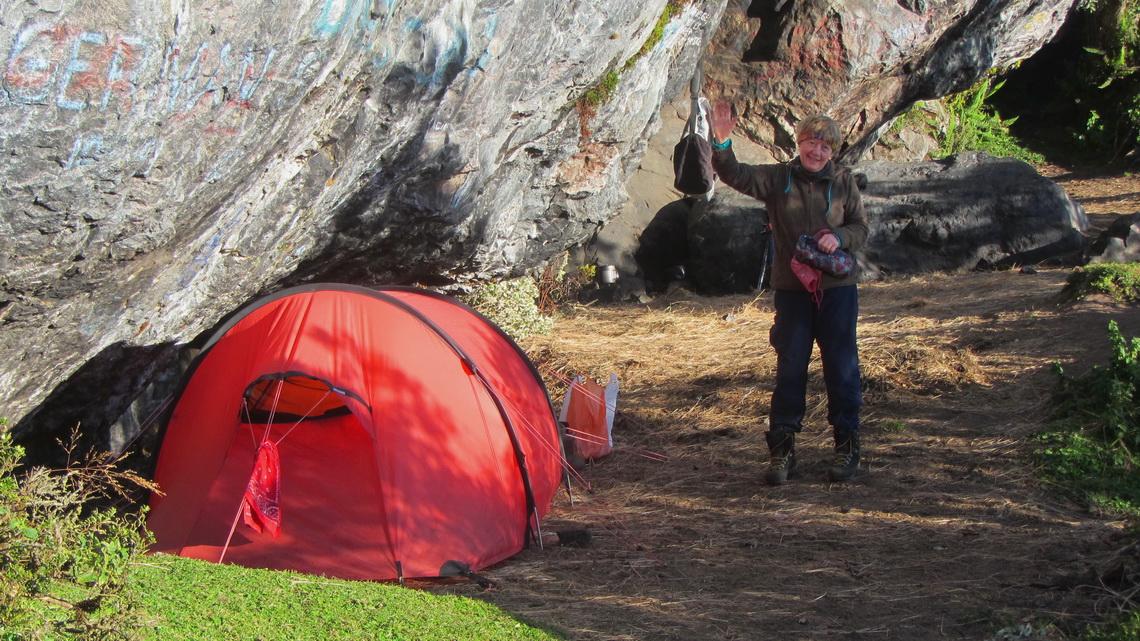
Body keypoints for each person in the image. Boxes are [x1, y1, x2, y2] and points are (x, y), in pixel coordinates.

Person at [708, 103, 869, 484]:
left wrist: (840, 236)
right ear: (799, 142)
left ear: (833, 152)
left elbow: (861, 229)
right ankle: (782, 454)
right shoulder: (778, 178)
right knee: (790, 369)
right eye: (812, 143)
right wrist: (722, 141)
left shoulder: (844, 181)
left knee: (842, 369)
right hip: (793, 292)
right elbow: (735, 174)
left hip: (837, 292)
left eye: (825, 147)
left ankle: (847, 450)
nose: (817, 152)